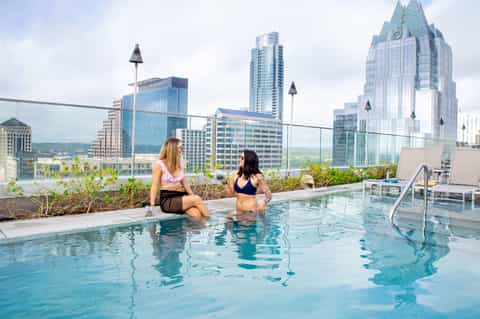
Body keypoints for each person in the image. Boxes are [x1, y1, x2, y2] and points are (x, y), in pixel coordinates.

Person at [146, 138, 209, 218]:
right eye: (179, 147)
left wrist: (192, 197)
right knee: (196, 199)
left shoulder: (180, 164)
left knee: (196, 214)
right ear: (172, 149)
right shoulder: (159, 165)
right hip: (168, 199)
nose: (181, 150)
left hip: (181, 197)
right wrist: (152, 206)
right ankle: (210, 222)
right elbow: (154, 186)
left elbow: (185, 185)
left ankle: (190, 229)